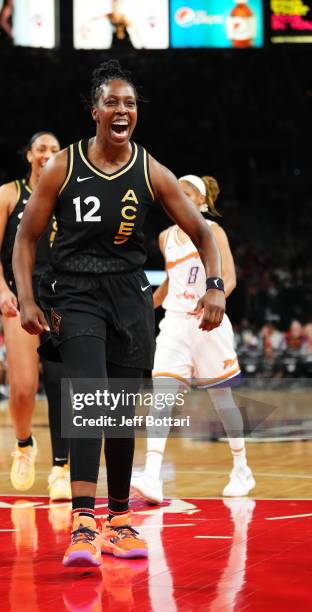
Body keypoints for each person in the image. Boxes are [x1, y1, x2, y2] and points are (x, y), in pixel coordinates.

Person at [13, 60, 225, 567]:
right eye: (112, 101)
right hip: (75, 290)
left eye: (130, 103)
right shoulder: (62, 166)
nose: (122, 109)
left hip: (129, 295)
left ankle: (119, 521)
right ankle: (83, 524)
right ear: (95, 111)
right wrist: (26, 297)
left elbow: (203, 232)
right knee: (91, 396)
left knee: (122, 409)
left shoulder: (151, 171)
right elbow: (26, 237)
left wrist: (215, 285)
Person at [131, 174, 255, 502]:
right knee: (162, 397)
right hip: (174, 323)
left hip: (208, 323)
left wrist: (214, 296)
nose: (180, 199)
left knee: (222, 400)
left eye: (187, 194)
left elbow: (228, 276)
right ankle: (153, 476)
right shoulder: (164, 237)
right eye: (177, 194)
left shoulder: (213, 231)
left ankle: (241, 467)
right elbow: (170, 283)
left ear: (201, 201)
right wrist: (141, 307)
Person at [0, 131, 70, 500]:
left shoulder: (69, 193)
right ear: (29, 156)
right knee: (22, 387)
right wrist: (4, 290)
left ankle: (61, 468)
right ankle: (24, 444)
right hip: (20, 292)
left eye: (54, 149)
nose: (47, 153)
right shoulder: (9, 192)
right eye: (41, 148)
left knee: (59, 382)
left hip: (60, 295)